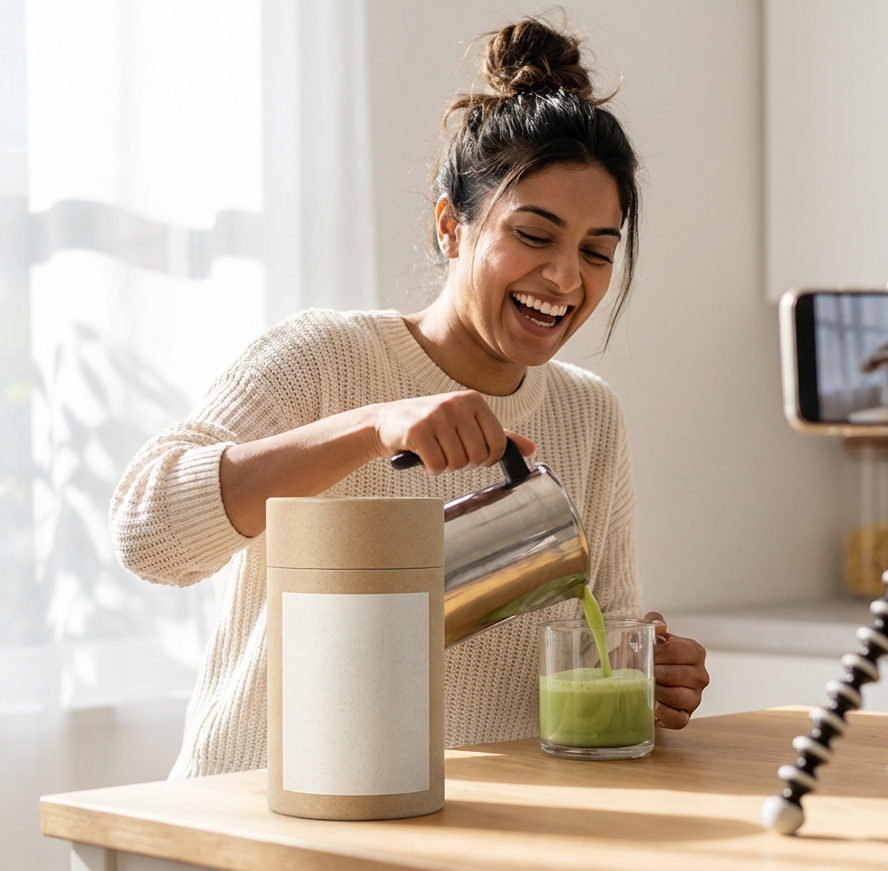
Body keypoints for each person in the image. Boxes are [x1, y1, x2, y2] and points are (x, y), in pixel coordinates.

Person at [110, 17, 710, 778]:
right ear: (450, 227)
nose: (566, 277)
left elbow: (602, 631)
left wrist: (653, 667)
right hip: (268, 810)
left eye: (596, 251)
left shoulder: (589, 415)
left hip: (480, 819)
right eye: (533, 235)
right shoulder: (324, 360)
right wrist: (371, 426)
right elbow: (147, 535)